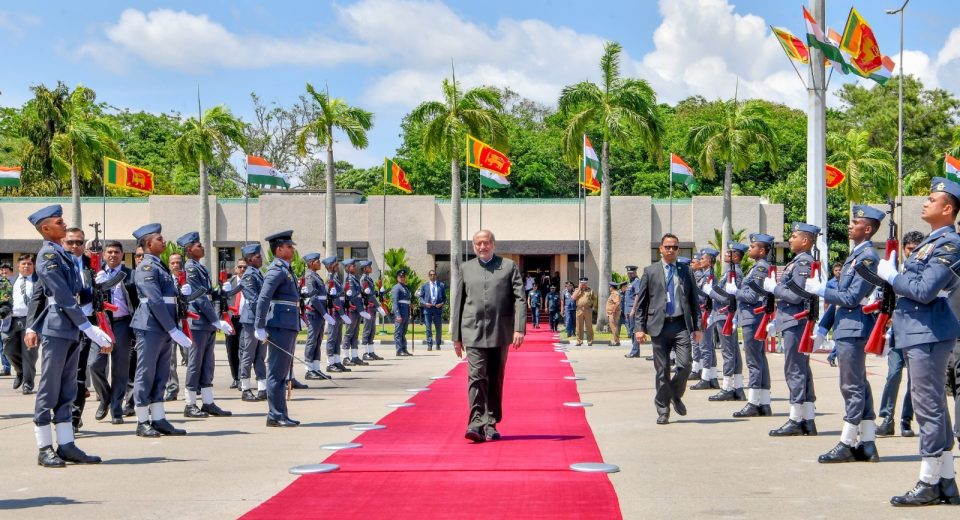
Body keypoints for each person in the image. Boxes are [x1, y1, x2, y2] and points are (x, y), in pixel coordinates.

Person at [878, 178, 960, 506]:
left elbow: (925, 290)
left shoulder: (949, 243)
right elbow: (920, 285)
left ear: (948, 208)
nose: (925, 203)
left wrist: (893, 276)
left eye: (931, 199)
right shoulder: (930, 242)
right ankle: (946, 480)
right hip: (918, 330)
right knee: (933, 405)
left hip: (928, 333)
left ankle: (928, 481)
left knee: (927, 407)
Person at [25, 205, 111, 466]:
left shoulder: (63, 255)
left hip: (70, 326)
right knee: (49, 388)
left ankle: (66, 444)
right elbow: (62, 295)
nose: (64, 225)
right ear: (45, 228)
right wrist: (88, 327)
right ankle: (44, 448)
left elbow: (77, 292)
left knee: (68, 388)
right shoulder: (48, 255)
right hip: (58, 327)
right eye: (59, 222)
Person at [807, 205, 884, 463]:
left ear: (868, 229)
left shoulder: (867, 257)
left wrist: (821, 290)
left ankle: (848, 442)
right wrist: (823, 328)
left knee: (851, 386)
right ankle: (868, 443)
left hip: (854, 328)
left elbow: (850, 298)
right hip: (847, 326)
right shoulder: (855, 256)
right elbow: (842, 299)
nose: (850, 226)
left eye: (856, 223)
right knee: (859, 384)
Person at [451, 229, 525, 443]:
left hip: (500, 331)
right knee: (476, 376)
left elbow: (520, 298)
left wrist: (519, 328)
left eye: (486, 243)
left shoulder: (508, 267)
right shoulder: (466, 268)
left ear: (493, 244)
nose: (482, 247)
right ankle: (475, 423)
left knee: (495, 377)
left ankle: (490, 423)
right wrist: (456, 337)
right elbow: (458, 303)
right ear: (474, 246)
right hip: (472, 331)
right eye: (478, 243)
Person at [634, 233, 701, 425]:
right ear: (661, 249)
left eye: (674, 247)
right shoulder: (650, 271)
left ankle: (674, 394)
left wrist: (697, 327)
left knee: (685, 365)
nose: (671, 250)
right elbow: (641, 304)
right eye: (667, 247)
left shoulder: (685, 271)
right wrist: (639, 328)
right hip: (659, 326)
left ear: (678, 249)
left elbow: (694, 301)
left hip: (680, 325)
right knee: (662, 370)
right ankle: (663, 410)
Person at [130, 223, 188, 438]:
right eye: (159, 239)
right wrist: (172, 329)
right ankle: (142, 421)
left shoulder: (159, 265)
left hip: (162, 326)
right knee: (146, 373)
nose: (164, 242)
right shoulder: (146, 266)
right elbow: (154, 300)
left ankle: (158, 418)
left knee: (161, 374)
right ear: (148, 243)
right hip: (151, 325)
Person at [767, 222, 820, 437]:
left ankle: (796, 419)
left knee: (794, 369)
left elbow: (796, 296)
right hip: (791, 321)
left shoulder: (803, 263)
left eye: (794, 236)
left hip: (795, 321)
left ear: (805, 240)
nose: (790, 240)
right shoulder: (798, 261)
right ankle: (807, 419)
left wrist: (775, 288)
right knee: (801, 369)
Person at [177, 231, 234, 418]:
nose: (202, 247)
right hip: (198, 320)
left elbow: (208, 294)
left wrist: (221, 291)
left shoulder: (200, 268)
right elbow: (200, 298)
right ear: (188, 250)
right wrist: (216, 320)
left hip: (206, 322)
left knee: (208, 363)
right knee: (195, 363)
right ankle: (190, 403)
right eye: (198, 245)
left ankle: (208, 402)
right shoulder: (190, 268)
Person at [251, 230, 302, 427]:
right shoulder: (276, 269)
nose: (292, 249)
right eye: (289, 247)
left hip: (287, 324)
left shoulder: (285, 269)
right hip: (279, 326)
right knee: (276, 372)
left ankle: (281, 414)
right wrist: (259, 325)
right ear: (279, 250)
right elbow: (264, 297)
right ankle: (275, 415)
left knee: (282, 373)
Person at [876, 230, 924, 437]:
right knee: (894, 374)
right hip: (896, 332)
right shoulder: (893, 270)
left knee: (915, 379)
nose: (912, 253)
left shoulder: (924, 271)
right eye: (909, 249)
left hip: (917, 330)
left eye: (916, 250)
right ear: (903, 249)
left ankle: (906, 420)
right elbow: (881, 299)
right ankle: (887, 419)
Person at [88, 241, 139, 424]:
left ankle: (116, 410)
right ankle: (105, 398)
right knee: (94, 364)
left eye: (116, 252)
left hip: (122, 323)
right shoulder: (94, 273)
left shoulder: (131, 274)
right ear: (103, 255)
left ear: (122, 255)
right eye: (109, 252)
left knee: (120, 370)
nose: (112, 255)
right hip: (101, 324)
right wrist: (95, 283)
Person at [732, 234, 775, 418]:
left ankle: (753, 403)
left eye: (752, 246)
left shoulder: (760, 268)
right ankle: (764, 403)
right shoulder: (756, 267)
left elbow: (752, 296)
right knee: (759, 359)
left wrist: (735, 292)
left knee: (753, 362)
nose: (749, 249)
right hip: (752, 318)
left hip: (753, 318)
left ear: (762, 251)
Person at [703, 242, 746, 401]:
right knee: (733, 351)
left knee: (728, 352)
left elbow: (729, 298)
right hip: (722, 315)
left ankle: (728, 387)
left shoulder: (736, 273)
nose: (725, 255)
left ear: (736, 257)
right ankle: (738, 388)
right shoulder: (729, 272)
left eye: (728, 253)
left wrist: (711, 292)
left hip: (725, 315)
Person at [63, 227, 95, 432]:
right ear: (63, 243)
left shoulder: (93, 265)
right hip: (63, 323)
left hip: (87, 323)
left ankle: (74, 417)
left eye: (79, 242)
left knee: (79, 371)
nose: (75, 246)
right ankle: (63, 413)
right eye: (70, 242)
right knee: (62, 372)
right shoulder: (57, 263)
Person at [3, 254, 38, 394]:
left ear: (34, 266)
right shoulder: (10, 281)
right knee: (8, 350)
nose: (26, 266)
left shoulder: (39, 281)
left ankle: (28, 383)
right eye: (23, 264)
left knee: (29, 353)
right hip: (12, 320)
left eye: (29, 264)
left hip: (31, 321)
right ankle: (20, 371)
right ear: (18, 266)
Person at [238, 244, 268, 401]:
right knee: (248, 354)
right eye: (257, 256)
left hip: (260, 319)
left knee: (260, 355)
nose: (261, 258)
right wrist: (262, 321)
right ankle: (245, 388)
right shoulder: (249, 275)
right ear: (249, 259)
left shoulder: (258, 273)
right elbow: (255, 301)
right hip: (251, 320)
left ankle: (262, 387)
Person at [691, 248, 720, 390]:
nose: (700, 260)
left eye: (703, 258)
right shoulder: (705, 275)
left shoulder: (710, 276)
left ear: (710, 261)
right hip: (703, 312)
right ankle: (712, 378)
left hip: (705, 313)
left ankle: (706, 378)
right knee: (707, 346)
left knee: (705, 346)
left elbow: (707, 296)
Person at [300, 253, 332, 381]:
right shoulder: (309, 276)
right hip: (314, 312)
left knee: (318, 340)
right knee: (312, 340)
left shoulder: (316, 275)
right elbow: (313, 297)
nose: (320, 263)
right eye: (317, 261)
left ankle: (316, 368)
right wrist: (324, 313)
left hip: (320, 312)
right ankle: (309, 370)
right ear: (311, 263)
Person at [164, 252, 185, 402]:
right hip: (171, 323)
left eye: (178, 262)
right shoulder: (165, 280)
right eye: (173, 263)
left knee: (191, 356)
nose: (176, 265)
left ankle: (193, 386)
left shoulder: (190, 279)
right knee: (170, 359)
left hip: (186, 322)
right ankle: (172, 389)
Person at [323, 256, 350, 371]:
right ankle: (330, 363)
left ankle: (337, 361)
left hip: (339, 311)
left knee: (338, 337)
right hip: (334, 311)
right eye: (336, 264)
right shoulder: (330, 279)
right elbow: (333, 298)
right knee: (332, 337)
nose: (338, 266)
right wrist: (341, 312)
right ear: (330, 266)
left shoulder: (335, 278)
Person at [340, 258, 367, 366]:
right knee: (349, 333)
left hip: (357, 309)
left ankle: (355, 356)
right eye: (352, 266)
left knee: (355, 333)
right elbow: (353, 296)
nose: (355, 267)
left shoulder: (354, 278)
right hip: (352, 309)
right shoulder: (349, 280)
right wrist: (360, 310)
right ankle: (346, 357)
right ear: (347, 267)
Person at [225, 259, 246, 389]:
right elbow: (220, 301)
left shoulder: (251, 282)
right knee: (231, 349)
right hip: (231, 320)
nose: (242, 269)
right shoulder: (228, 283)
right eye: (240, 267)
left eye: (245, 267)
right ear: (236, 269)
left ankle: (241, 377)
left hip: (245, 319)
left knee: (243, 349)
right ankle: (235, 378)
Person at [359, 260, 383, 360]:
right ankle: (365, 353)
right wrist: (378, 306)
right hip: (368, 306)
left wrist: (378, 293)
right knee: (367, 330)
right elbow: (368, 294)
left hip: (372, 307)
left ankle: (371, 352)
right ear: (365, 268)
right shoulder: (364, 279)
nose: (371, 268)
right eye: (369, 267)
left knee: (372, 330)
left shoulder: (368, 278)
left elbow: (371, 293)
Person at [417, 269, 446, 351]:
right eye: (431, 275)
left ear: (436, 275)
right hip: (428, 309)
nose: (432, 276)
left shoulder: (441, 285)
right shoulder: (424, 286)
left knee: (438, 328)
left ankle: (438, 344)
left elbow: (444, 298)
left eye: (434, 274)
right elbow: (421, 298)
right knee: (428, 328)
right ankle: (429, 345)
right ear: (429, 276)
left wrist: (441, 304)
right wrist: (425, 303)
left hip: (437, 309)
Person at [824, 262, 844, 367]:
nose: (838, 272)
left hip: (844, 310)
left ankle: (833, 356)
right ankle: (833, 356)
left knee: (842, 335)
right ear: (833, 271)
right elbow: (826, 299)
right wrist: (826, 313)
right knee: (838, 335)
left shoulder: (846, 281)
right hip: (834, 310)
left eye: (839, 270)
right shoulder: (830, 283)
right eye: (836, 270)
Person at [391, 269, 412, 356]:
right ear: (397, 278)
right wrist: (397, 315)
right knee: (398, 332)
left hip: (406, 312)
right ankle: (399, 350)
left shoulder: (405, 288)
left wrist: (410, 306)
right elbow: (395, 302)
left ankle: (404, 349)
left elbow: (406, 300)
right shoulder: (396, 288)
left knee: (403, 332)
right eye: (401, 277)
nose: (402, 278)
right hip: (400, 313)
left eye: (404, 277)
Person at [572, 277, 596, 346]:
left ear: (587, 283)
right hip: (579, 310)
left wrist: (593, 306)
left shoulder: (590, 290)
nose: (584, 285)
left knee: (589, 326)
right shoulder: (577, 290)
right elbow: (573, 298)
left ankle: (590, 341)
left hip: (588, 310)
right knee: (579, 326)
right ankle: (579, 341)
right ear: (580, 283)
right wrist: (579, 289)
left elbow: (594, 299)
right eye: (582, 283)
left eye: (585, 283)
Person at [624, 266, 641, 358]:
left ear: (635, 273)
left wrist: (633, 309)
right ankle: (635, 351)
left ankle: (635, 351)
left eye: (631, 273)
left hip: (633, 310)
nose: (630, 274)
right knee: (631, 331)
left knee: (635, 331)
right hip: (628, 310)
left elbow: (638, 296)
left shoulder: (637, 282)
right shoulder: (630, 282)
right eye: (628, 273)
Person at [605, 281, 622, 345]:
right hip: (611, 313)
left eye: (610, 287)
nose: (609, 288)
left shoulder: (615, 293)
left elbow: (617, 302)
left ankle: (616, 341)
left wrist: (614, 310)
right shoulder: (613, 293)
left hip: (613, 313)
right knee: (613, 326)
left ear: (612, 287)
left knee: (613, 326)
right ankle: (616, 340)